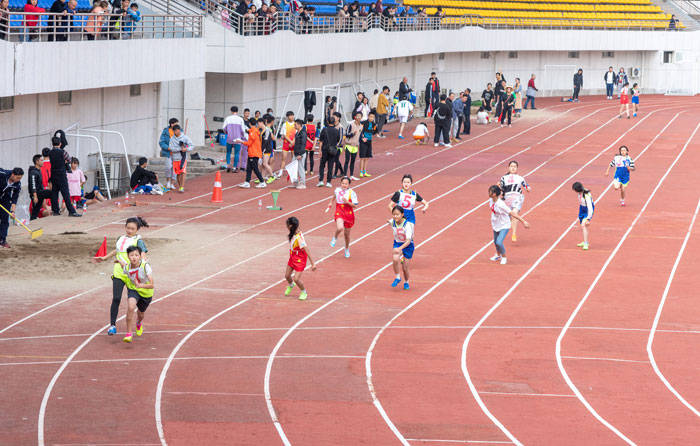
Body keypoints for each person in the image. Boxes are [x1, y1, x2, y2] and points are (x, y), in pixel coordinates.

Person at [95, 216, 149, 335]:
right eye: (128, 228)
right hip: (119, 272)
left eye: (132, 229)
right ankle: (112, 325)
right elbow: (117, 251)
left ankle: (139, 322)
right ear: (125, 227)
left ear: (137, 230)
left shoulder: (138, 241)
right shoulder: (120, 238)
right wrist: (104, 258)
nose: (129, 230)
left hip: (132, 274)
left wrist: (143, 266)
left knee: (139, 305)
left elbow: (143, 254)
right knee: (116, 298)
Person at [119, 246, 154, 343]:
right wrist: (119, 262)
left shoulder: (146, 266)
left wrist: (140, 285)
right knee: (131, 307)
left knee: (141, 313)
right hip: (133, 289)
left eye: (136, 255)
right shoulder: (127, 267)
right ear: (128, 256)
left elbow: (152, 285)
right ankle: (129, 333)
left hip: (146, 292)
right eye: (131, 255)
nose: (134, 257)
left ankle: (138, 323)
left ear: (140, 256)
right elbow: (124, 267)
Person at [488, 185, 529, 265]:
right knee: (495, 242)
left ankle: (504, 257)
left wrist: (523, 221)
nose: (488, 193)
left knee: (499, 242)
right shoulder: (491, 200)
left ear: (494, 194)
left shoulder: (501, 204)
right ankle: (498, 255)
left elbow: (512, 213)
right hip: (495, 223)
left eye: (490, 191)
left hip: (504, 224)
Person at [284, 216, 316, 301]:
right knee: (287, 276)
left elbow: (307, 250)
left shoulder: (299, 238)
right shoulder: (293, 232)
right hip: (292, 256)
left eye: (287, 224)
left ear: (290, 226)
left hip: (300, 259)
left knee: (296, 279)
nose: (286, 226)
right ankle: (291, 285)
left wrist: (313, 264)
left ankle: (303, 292)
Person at [48, 137, 81, 217]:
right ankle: (71, 211)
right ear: (60, 143)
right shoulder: (63, 152)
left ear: (52, 144)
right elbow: (69, 160)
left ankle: (55, 211)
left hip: (53, 174)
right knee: (66, 193)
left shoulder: (50, 152)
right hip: (61, 175)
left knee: (55, 193)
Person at [326, 176, 358, 258]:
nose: (344, 185)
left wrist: (347, 202)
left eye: (346, 184)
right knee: (340, 228)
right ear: (340, 183)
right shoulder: (337, 190)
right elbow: (334, 196)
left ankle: (346, 249)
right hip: (339, 210)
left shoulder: (352, 193)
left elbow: (355, 206)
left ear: (349, 184)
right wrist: (330, 203)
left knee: (347, 235)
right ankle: (335, 237)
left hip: (348, 213)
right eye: (343, 183)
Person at [499, 160, 530, 242]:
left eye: (514, 166)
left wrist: (528, 188)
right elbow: (501, 189)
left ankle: (514, 234)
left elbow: (526, 185)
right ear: (509, 168)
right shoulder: (503, 178)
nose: (513, 168)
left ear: (517, 168)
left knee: (514, 214)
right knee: (508, 216)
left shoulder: (520, 178)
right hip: (507, 199)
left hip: (517, 197)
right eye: (511, 166)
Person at [389, 206, 413, 290]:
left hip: (407, 245)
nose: (395, 216)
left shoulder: (407, 225)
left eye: (397, 214)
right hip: (397, 243)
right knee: (395, 259)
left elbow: (408, 241)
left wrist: (400, 249)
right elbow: (390, 221)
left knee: (405, 268)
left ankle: (406, 282)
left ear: (402, 214)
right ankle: (397, 277)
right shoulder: (393, 222)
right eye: (394, 214)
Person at [240, 117, 267, 188]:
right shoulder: (253, 130)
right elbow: (249, 131)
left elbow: (249, 143)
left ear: (249, 123)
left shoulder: (253, 132)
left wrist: (240, 141)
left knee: (255, 168)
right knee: (249, 168)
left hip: (254, 153)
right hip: (252, 152)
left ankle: (262, 182)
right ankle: (247, 182)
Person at [0, 168, 23, 248]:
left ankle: (2, 240)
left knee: (5, 219)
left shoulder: (17, 184)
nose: (18, 180)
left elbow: (14, 198)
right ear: (13, 175)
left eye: (20, 178)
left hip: (5, 199)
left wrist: (12, 211)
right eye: (18, 178)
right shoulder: (2, 173)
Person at [168, 125, 193, 193]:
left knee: (183, 172)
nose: (176, 132)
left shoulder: (185, 137)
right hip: (175, 158)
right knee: (178, 174)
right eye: (174, 131)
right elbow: (171, 148)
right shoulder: (172, 139)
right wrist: (179, 149)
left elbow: (191, 146)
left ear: (179, 130)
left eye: (177, 130)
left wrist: (186, 149)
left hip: (183, 158)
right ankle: (180, 186)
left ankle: (182, 187)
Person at [317, 116, 341, 187]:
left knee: (322, 165)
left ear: (327, 122)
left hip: (324, 149)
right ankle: (328, 182)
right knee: (330, 166)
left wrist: (319, 150)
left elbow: (321, 141)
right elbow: (338, 141)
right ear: (334, 122)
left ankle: (321, 181)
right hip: (332, 150)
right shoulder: (337, 131)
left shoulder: (324, 130)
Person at [222, 106, 247, 173]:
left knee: (228, 152)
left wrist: (227, 133)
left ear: (231, 111)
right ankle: (234, 167)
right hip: (238, 139)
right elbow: (243, 130)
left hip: (229, 138)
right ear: (237, 111)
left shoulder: (228, 118)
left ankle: (228, 165)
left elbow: (224, 128)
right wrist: (241, 136)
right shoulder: (240, 119)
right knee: (237, 153)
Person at [28, 155, 52, 220]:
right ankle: (56, 210)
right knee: (52, 193)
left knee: (36, 210)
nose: (43, 162)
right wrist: (35, 196)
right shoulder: (33, 172)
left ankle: (33, 219)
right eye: (41, 160)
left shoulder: (39, 171)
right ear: (37, 162)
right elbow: (32, 185)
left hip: (40, 192)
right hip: (37, 193)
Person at [572, 181, 594, 250]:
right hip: (582, 209)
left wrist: (588, 218)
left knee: (583, 225)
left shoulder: (586, 196)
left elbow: (590, 208)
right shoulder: (580, 192)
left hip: (587, 210)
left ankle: (586, 244)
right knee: (583, 226)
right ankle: (585, 241)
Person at [159, 118, 179, 189]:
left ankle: (172, 183)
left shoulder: (180, 131)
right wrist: (168, 148)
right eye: (176, 123)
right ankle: (168, 181)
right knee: (168, 167)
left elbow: (183, 140)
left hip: (177, 153)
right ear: (172, 124)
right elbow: (161, 142)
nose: (177, 125)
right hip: (168, 152)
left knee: (175, 168)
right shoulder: (165, 131)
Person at [344, 111, 362, 180]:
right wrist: (352, 134)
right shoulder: (350, 125)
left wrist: (362, 138)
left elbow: (360, 135)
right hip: (348, 145)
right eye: (357, 116)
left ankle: (351, 175)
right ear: (355, 117)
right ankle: (345, 175)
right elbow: (346, 134)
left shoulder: (361, 126)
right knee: (347, 160)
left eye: (360, 116)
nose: (359, 117)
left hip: (355, 146)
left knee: (353, 161)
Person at [358, 111, 377, 178]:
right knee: (362, 157)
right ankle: (361, 171)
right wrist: (362, 137)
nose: (371, 118)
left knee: (367, 158)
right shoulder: (363, 123)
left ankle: (364, 171)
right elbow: (359, 131)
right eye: (370, 116)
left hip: (369, 141)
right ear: (368, 116)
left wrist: (371, 135)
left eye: (373, 117)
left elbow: (375, 131)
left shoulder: (374, 124)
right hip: (363, 142)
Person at [277, 111, 296, 178]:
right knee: (283, 159)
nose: (292, 117)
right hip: (286, 144)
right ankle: (280, 172)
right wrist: (290, 141)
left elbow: (297, 134)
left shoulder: (296, 124)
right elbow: (284, 135)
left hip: (294, 143)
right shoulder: (285, 124)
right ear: (288, 117)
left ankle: (292, 172)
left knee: (293, 159)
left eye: (293, 115)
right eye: (291, 116)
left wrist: (292, 142)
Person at [260, 115, 276, 183]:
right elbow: (273, 138)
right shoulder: (268, 129)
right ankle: (262, 177)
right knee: (264, 164)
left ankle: (272, 176)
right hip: (268, 147)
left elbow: (273, 138)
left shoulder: (268, 129)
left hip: (267, 148)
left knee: (265, 163)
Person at [292, 119, 307, 189]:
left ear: (299, 125)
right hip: (296, 153)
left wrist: (300, 154)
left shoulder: (303, 133)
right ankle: (296, 182)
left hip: (300, 153)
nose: (294, 126)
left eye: (295, 124)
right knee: (293, 168)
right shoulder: (297, 133)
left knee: (300, 168)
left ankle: (302, 183)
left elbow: (303, 144)